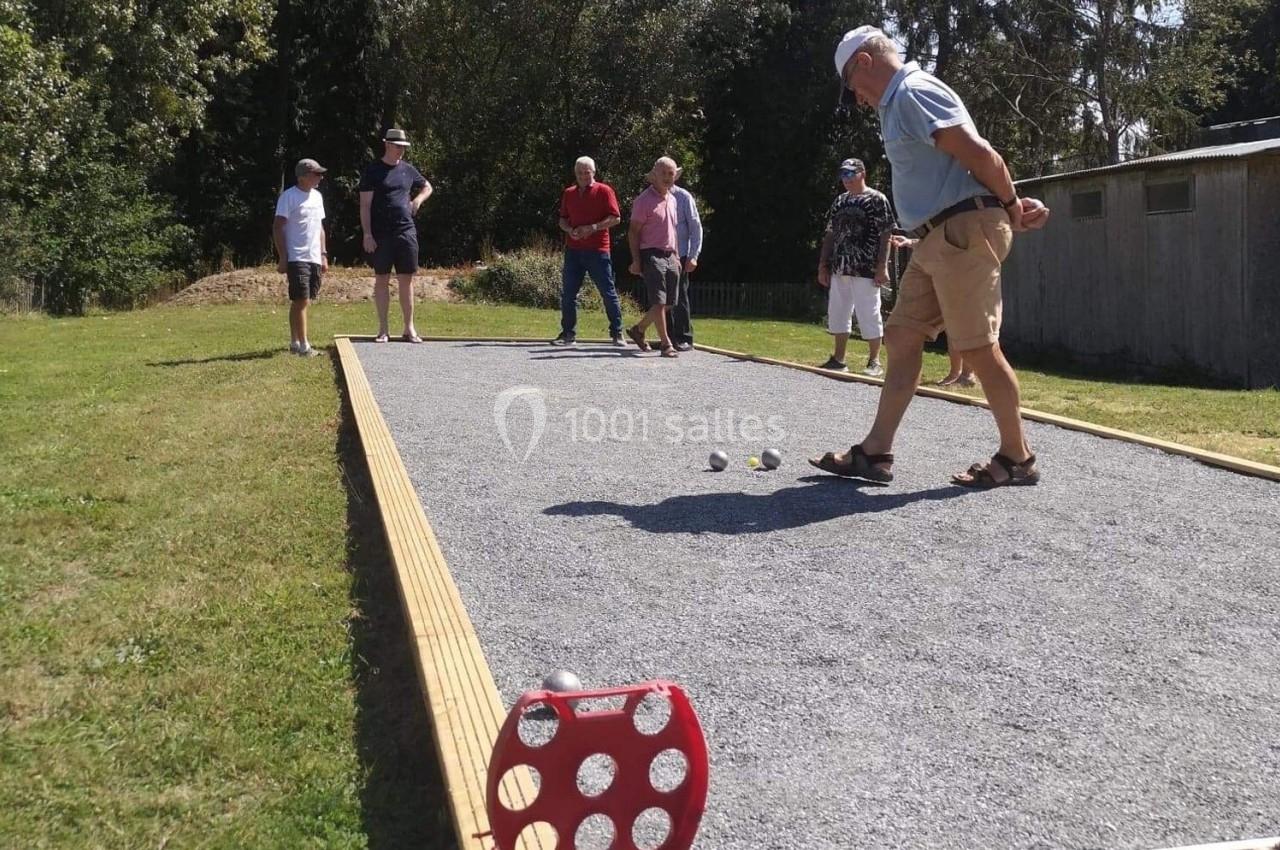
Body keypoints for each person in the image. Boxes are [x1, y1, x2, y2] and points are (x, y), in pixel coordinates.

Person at [810, 26, 1050, 488]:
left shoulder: (914, 93)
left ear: (863, 61)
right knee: (902, 336)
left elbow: (980, 154)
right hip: (937, 237)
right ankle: (876, 453)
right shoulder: (899, 103)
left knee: (979, 347)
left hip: (960, 231)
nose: (857, 98)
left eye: (852, 86)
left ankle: (1018, 458)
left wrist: (1012, 206)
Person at [817, 157, 894, 376]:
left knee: (868, 312)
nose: (846, 179)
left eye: (851, 174)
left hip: (866, 267)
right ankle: (838, 358)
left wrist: (882, 266)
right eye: (843, 175)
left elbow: (886, 232)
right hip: (840, 267)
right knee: (838, 312)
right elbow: (830, 233)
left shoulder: (877, 198)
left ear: (862, 174)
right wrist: (823, 264)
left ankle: (874, 361)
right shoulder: (840, 200)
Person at [359, 128, 433, 343]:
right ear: (387, 145)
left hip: (406, 231)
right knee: (382, 279)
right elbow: (365, 205)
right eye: (398, 146)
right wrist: (367, 234)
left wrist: (418, 200)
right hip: (381, 234)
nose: (401, 151)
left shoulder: (408, 170)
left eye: (403, 147)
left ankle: (409, 328)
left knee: (406, 280)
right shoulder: (373, 171)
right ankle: (383, 329)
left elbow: (428, 186)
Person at [552, 156, 625, 346]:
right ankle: (568, 333)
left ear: (594, 172)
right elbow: (562, 219)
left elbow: (616, 218)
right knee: (568, 294)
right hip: (574, 250)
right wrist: (570, 230)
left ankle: (617, 333)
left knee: (607, 292)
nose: (584, 176)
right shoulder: (569, 193)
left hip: (598, 250)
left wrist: (592, 227)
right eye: (580, 173)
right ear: (575, 174)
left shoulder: (604, 191)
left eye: (587, 172)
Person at [891, 233, 975, 386]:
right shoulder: (944, 226)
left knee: (963, 330)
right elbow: (935, 242)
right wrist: (910, 242)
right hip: (949, 277)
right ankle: (955, 373)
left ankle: (968, 375)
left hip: (966, 277)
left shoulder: (967, 224)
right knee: (952, 329)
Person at [625, 157, 683, 358]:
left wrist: (676, 255)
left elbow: (672, 230)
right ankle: (666, 344)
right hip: (651, 254)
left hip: (671, 255)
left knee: (669, 302)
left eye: (671, 174)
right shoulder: (643, 201)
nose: (668, 177)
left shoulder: (674, 199)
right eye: (664, 173)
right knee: (659, 301)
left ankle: (638, 330)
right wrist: (636, 260)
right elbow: (633, 232)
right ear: (655, 175)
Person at [273, 158, 328, 357]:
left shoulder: (318, 197)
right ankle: (305, 346)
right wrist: (283, 257)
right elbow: (278, 227)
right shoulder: (288, 197)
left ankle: (294, 342)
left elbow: (320, 228)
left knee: (301, 301)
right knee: (302, 300)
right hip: (296, 256)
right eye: (316, 174)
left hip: (314, 256)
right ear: (303, 177)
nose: (320, 177)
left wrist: (323, 255)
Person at [668, 178, 703, 351]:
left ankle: (684, 336)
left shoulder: (683, 197)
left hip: (680, 254)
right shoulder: (651, 197)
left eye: (669, 173)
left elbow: (695, 227)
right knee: (662, 297)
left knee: (679, 294)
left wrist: (693, 255)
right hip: (659, 252)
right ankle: (667, 336)